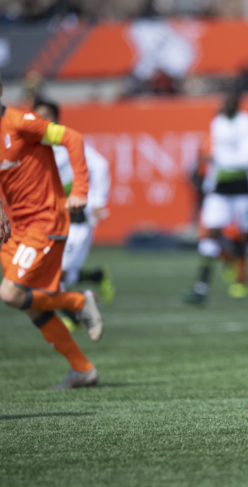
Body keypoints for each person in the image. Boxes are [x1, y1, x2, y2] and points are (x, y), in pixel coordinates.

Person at [0, 77, 104, 389]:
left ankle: (77, 301)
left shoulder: (20, 122)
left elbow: (72, 137)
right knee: (28, 304)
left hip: (44, 221)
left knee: (9, 294)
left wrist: (81, 190)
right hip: (14, 228)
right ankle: (83, 369)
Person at [183, 88, 248, 304]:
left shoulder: (246, 123)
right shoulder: (218, 123)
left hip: (243, 189)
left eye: (230, 99)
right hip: (219, 190)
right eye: (224, 99)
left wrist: (220, 159)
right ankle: (200, 289)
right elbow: (218, 157)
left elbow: (246, 158)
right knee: (210, 234)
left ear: (238, 102)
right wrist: (210, 179)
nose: (226, 103)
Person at [32, 98, 115, 313]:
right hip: (48, 219)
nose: (43, 120)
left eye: (47, 115)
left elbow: (100, 166)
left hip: (74, 219)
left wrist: (96, 201)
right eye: (38, 115)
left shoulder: (67, 142)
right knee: (52, 274)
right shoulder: (31, 146)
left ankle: (74, 317)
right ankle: (95, 279)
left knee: (58, 275)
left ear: (57, 118)